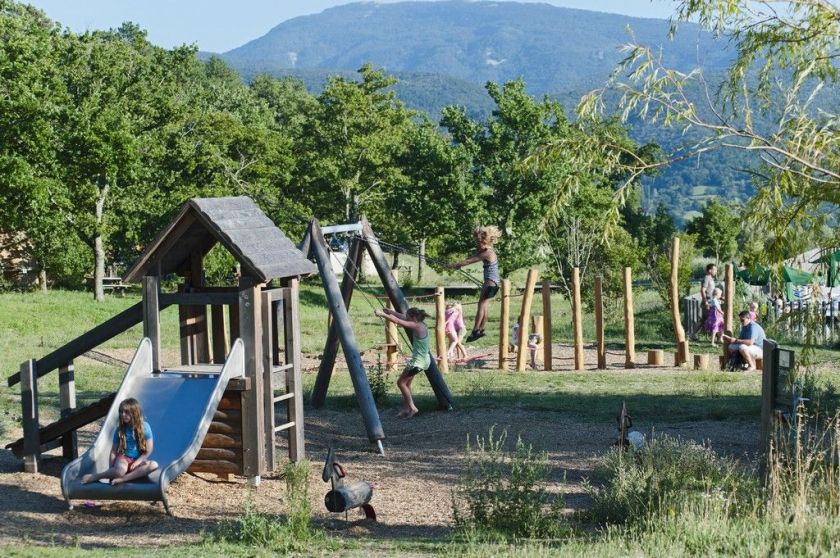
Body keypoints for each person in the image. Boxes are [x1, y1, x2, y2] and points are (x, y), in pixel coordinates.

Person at [81, 398, 158, 485]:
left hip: (138, 460)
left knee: (153, 465)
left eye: (126, 412)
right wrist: (111, 469)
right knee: (120, 471)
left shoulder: (145, 427)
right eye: (121, 412)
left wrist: (138, 462)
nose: (123, 414)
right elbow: (113, 451)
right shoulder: (120, 430)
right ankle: (96, 476)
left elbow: (149, 449)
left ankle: (123, 479)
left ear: (135, 413)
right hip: (124, 459)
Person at [374, 307, 430, 418]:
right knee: (407, 384)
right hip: (423, 360)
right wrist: (390, 312)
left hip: (417, 362)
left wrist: (382, 314)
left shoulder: (417, 326)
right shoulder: (420, 323)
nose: (406, 318)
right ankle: (406, 409)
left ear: (413, 318)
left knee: (401, 383)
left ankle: (413, 408)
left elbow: (399, 321)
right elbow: (402, 317)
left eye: (408, 317)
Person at [450, 225, 502, 342]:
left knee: (481, 305)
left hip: (489, 283)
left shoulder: (487, 253)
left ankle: (475, 330)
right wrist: (458, 264)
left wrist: (454, 265)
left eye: (478, 242)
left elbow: (470, 260)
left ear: (484, 241)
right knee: (485, 305)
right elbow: (473, 256)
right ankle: (480, 329)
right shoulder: (487, 251)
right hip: (495, 284)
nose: (477, 245)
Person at [691, 263, 718, 340]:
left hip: (711, 301)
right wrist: (705, 301)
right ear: (710, 270)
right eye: (714, 269)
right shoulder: (706, 278)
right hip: (708, 302)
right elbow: (703, 290)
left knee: (706, 319)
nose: (716, 271)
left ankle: (694, 334)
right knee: (705, 319)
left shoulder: (710, 279)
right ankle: (693, 334)